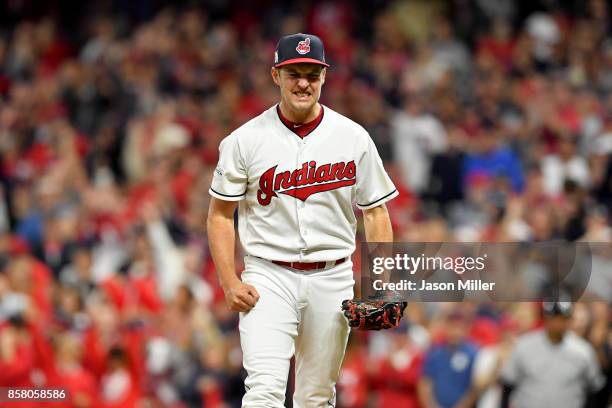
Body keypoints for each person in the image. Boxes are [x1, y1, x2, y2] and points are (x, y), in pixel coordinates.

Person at [206, 33, 398, 407]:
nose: (303, 83)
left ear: (324, 77)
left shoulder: (353, 137)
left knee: (317, 396)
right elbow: (219, 215)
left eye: (312, 73)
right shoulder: (244, 140)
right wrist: (229, 280)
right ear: (276, 75)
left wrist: (380, 285)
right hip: (268, 275)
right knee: (264, 390)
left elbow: (376, 213)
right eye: (294, 73)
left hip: (332, 275)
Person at [500, 301, 604, 408]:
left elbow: (595, 388)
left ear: (568, 320)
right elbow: (508, 383)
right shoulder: (524, 345)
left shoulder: (583, 350)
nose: (557, 324)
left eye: (561, 319)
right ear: (545, 319)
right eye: (553, 318)